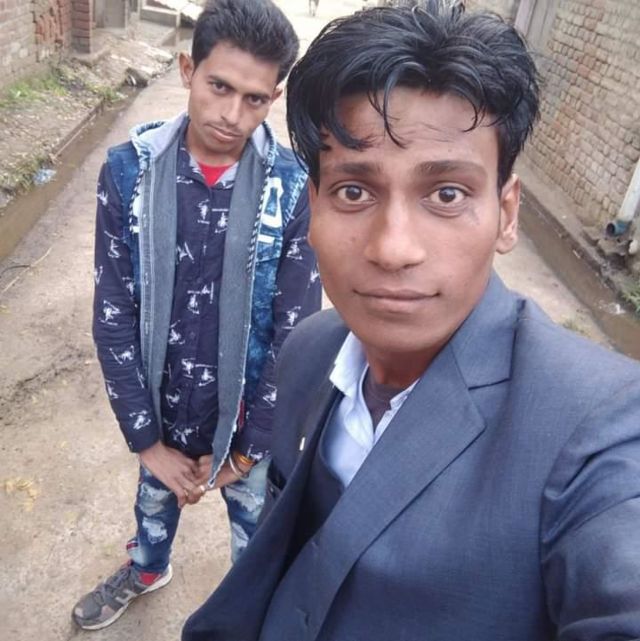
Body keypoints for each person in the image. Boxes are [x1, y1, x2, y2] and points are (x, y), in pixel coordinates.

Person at [182, 2, 640, 640]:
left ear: (506, 214)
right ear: (313, 208)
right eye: (353, 191)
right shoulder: (309, 354)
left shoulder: (599, 427)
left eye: (447, 194)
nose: (393, 248)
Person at [72, 0, 321, 631]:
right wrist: (147, 443)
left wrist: (246, 453)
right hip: (163, 410)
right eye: (220, 87)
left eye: (255, 99)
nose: (232, 115)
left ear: (274, 98)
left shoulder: (292, 188)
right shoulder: (129, 173)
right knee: (153, 505)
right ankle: (147, 567)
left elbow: (296, 331)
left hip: (250, 420)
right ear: (188, 69)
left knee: (256, 540)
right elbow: (114, 313)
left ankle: (252, 609)